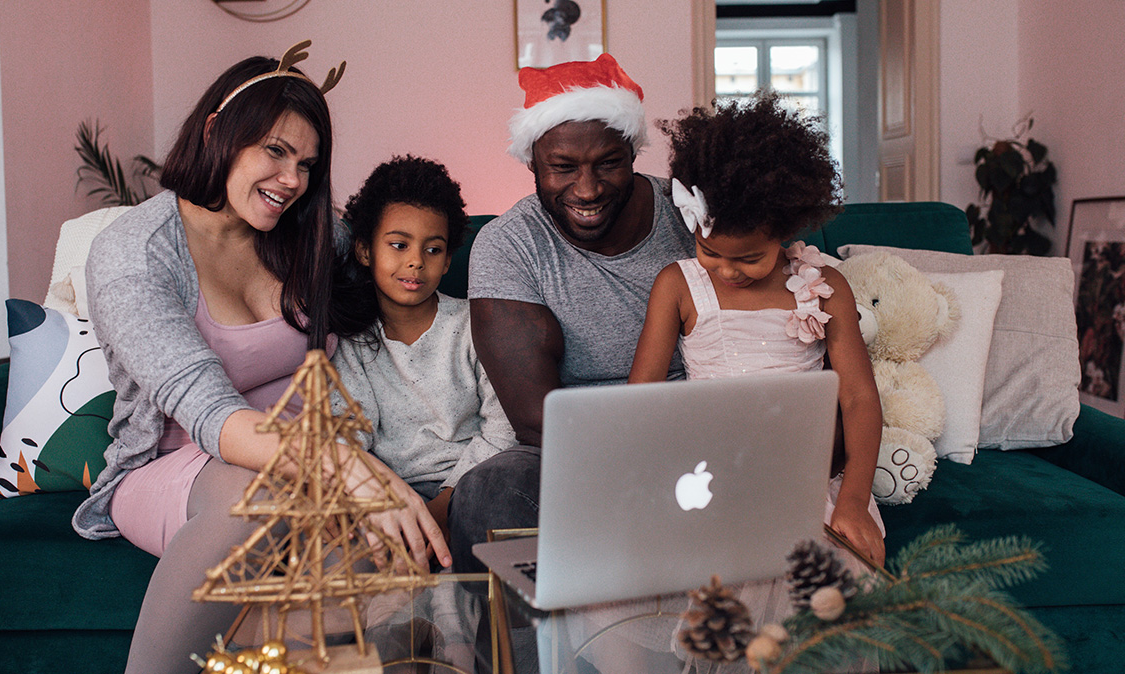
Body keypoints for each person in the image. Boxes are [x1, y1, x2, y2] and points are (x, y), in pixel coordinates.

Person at [71, 43, 444, 674]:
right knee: (263, 499)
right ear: (218, 130)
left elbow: (409, 281)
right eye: (275, 151)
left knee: (391, 605)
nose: (292, 180)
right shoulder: (133, 253)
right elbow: (212, 418)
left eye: (306, 163)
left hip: (310, 469)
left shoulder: (313, 235)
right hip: (186, 465)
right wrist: (347, 467)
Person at [450, 54, 696, 573]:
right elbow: (539, 422)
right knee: (489, 491)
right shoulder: (509, 247)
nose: (587, 190)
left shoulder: (691, 215)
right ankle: (532, 655)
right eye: (563, 167)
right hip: (573, 452)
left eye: (607, 162)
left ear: (632, 153)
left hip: (699, 427)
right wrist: (638, 485)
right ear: (533, 164)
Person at [628, 91, 886, 565]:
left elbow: (859, 398)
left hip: (806, 480)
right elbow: (641, 400)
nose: (727, 272)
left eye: (749, 258)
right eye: (711, 253)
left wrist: (852, 501)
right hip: (708, 478)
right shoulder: (677, 285)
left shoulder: (825, 285)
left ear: (783, 230)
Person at [330, 155, 516, 565]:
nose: (416, 260)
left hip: (471, 488)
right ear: (364, 250)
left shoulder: (474, 324)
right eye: (399, 245)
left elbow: (503, 428)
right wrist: (391, 509)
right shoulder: (351, 342)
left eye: (433, 249)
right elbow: (346, 438)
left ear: (448, 260)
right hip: (384, 497)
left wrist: (440, 511)